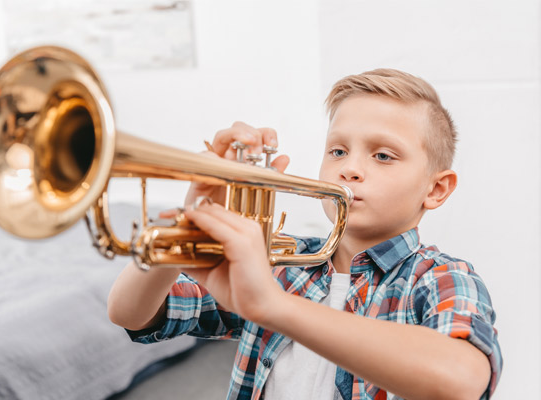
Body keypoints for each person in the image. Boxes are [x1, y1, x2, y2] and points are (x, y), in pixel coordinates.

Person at [107, 69, 502, 399]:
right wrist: (187, 229)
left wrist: (272, 306)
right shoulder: (280, 265)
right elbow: (131, 314)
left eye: (382, 155)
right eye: (338, 151)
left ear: (436, 189)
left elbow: (462, 379)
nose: (350, 169)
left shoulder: (440, 279)